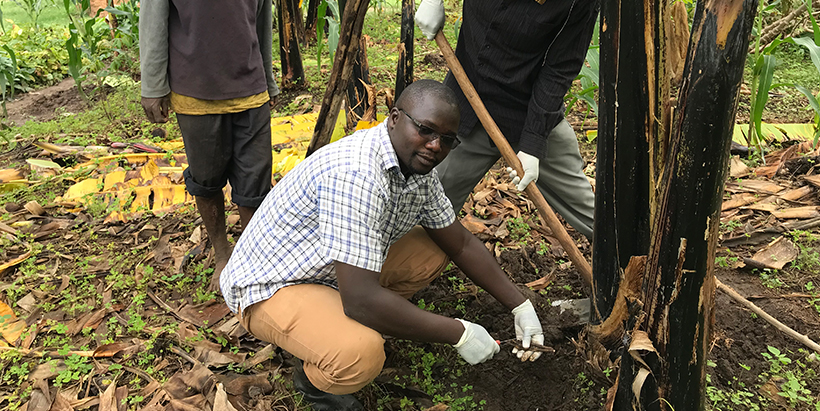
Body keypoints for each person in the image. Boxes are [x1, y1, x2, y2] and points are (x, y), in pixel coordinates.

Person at [220, 80, 544, 411]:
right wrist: (458, 333)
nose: (435, 146)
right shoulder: (357, 174)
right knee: (360, 353)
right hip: (272, 285)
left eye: (447, 140)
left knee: (432, 250)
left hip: (331, 272)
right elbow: (360, 300)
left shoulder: (417, 168)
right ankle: (317, 382)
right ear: (393, 118)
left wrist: (520, 305)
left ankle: (332, 325)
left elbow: (459, 243)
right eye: (426, 130)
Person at [415, 0, 599, 240]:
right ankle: (407, 272)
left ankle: (645, 265)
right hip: (466, 107)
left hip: (531, 115)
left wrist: (533, 144)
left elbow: (560, 69)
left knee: (596, 218)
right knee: (422, 208)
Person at [139, 0, 280, 290]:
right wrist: (153, 86)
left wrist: (268, 78)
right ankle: (222, 255)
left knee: (255, 180)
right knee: (206, 178)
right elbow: (154, 20)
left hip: (250, 86)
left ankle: (251, 258)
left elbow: (262, 18)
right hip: (195, 90)